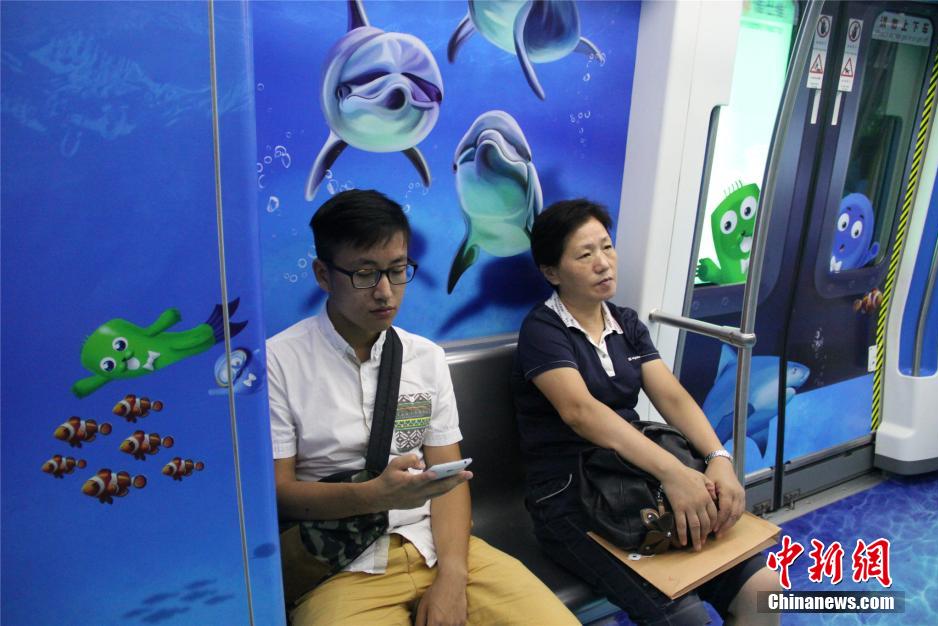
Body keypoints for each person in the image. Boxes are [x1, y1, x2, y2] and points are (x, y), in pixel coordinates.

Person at [267, 189, 578, 626]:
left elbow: (449, 479)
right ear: (323, 274)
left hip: (437, 547)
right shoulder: (278, 362)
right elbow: (278, 493)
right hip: (342, 569)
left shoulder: (425, 358)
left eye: (397, 271)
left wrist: (453, 576)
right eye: (364, 274)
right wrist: (373, 496)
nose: (385, 292)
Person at [511, 199, 780, 625]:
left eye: (607, 247)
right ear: (552, 272)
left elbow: (672, 398)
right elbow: (581, 411)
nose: (603, 263)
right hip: (568, 496)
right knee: (685, 618)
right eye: (585, 254)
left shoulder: (626, 323)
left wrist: (718, 459)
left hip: (634, 479)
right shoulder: (542, 330)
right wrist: (674, 473)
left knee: (763, 590)